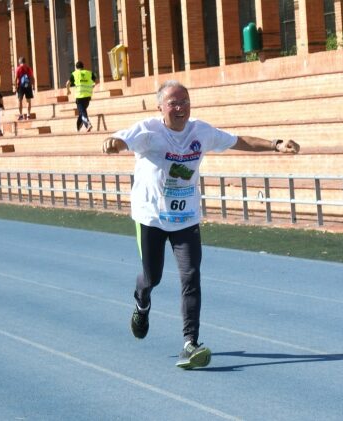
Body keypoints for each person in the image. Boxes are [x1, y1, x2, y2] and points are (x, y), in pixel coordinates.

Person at [102, 80, 300, 369]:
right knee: (151, 277)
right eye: (173, 102)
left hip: (186, 218)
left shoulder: (200, 132)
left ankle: (190, 343)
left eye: (185, 101)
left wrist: (275, 144)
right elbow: (121, 140)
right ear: (160, 107)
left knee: (191, 275)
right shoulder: (148, 131)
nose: (180, 107)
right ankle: (141, 303)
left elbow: (238, 140)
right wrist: (113, 143)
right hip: (151, 218)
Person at [66, 61, 97, 132]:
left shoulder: (74, 74)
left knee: (82, 112)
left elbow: (67, 83)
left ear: (76, 67)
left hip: (79, 96)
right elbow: (95, 81)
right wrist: (92, 85)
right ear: (83, 66)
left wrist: (68, 90)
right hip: (88, 96)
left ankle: (87, 124)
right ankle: (78, 127)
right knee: (82, 112)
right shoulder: (89, 73)